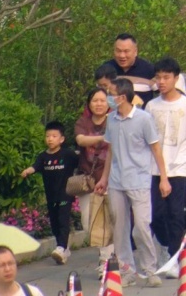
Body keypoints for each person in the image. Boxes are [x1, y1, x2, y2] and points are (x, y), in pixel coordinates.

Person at [96, 77, 167, 287]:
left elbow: (155, 149)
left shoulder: (144, 119)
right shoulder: (111, 120)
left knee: (142, 226)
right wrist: (104, 178)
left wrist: (163, 178)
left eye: (111, 93)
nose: (108, 97)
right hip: (117, 181)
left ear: (123, 96)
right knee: (119, 227)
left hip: (139, 180)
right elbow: (110, 151)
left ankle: (150, 269)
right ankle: (127, 270)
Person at [144, 58, 186, 262]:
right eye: (158, 77)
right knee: (157, 216)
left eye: (166, 77)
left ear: (176, 78)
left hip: (180, 167)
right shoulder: (151, 106)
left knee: (177, 214)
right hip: (155, 169)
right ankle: (166, 246)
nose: (161, 81)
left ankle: (174, 257)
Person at [20, 121, 79, 264]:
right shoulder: (43, 157)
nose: (50, 139)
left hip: (65, 194)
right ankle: (63, 249)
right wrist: (28, 171)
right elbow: (35, 167)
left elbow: (80, 161)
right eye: (48, 136)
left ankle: (61, 247)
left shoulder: (68, 154)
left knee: (62, 220)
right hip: (51, 196)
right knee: (54, 223)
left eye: (54, 136)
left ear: (62, 139)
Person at [74, 87, 113, 265]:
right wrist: (104, 138)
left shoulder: (115, 120)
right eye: (95, 100)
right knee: (89, 222)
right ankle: (106, 256)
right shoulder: (83, 122)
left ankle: (106, 261)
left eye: (102, 100)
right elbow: (81, 140)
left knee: (109, 220)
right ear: (89, 103)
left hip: (111, 179)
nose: (99, 104)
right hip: (88, 181)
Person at [102, 33, 160, 105]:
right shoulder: (107, 69)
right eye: (118, 51)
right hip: (113, 115)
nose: (122, 55)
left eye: (126, 51)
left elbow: (163, 94)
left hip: (141, 115)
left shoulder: (149, 69)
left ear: (135, 51)